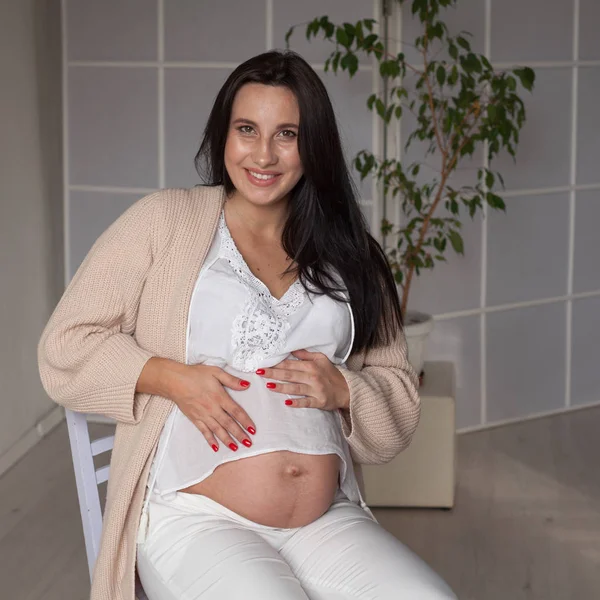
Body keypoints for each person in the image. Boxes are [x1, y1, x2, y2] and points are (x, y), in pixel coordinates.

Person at [38, 50, 457, 600]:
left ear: (316, 145)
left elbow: (398, 397)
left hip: (324, 519)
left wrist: (346, 389)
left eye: (287, 133)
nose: (264, 153)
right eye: (246, 129)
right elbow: (64, 348)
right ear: (223, 135)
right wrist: (170, 377)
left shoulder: (348, 252)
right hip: (194, 517)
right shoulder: (165, 221)